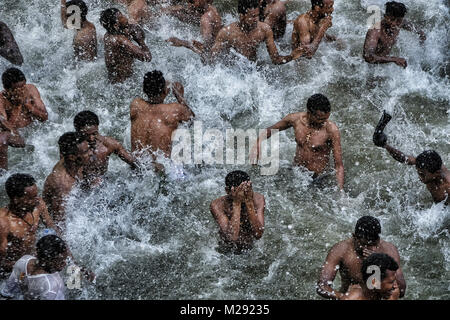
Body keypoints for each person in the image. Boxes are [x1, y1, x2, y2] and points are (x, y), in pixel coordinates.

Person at [251, 94, 344, 189]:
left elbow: (339, 165)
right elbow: (270, 130)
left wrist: (340, 191)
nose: (323, 121)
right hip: (297, 174)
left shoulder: (331, 130)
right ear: (309, 113)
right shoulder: (295, 120)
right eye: (320, 119)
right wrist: (257, 143)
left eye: (326, 118)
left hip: (318, 179)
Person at [169, 0, 303, 64]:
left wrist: (292, 56)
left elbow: (276, 59)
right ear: (241, 16)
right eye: (251, 16)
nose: (255, 20)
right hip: (235, 70)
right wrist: (187, 44)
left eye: (257, 16)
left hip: (254, 68)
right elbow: (211, 59)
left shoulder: (264, 29)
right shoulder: (227, 33)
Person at [316, 216, 406, 300]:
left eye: (373, 244)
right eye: (364, 244)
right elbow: (322, 287)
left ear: (378, 239)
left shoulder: (388, 250)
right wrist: (345, 297)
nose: (369, 249)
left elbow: (401, 290)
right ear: (354, 237)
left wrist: (379, 260)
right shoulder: (341, 250)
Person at [130, 70, 195, 171]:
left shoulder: (135, 105)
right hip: (164, 169)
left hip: (138, 167)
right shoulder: (175, 110)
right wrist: (179, 96)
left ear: (144, 90)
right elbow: (192, 121)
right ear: (165, 91)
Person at [0, 174, 59, 276]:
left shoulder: (38, 205)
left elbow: (53, 230)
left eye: (36, 195)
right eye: (31, 198)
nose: (37, 200)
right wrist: (33, 266)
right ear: (16, 199)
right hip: (15, 272)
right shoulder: (4, 223)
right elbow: (1, 264)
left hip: (35, 262)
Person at [73, 111, 137, 187]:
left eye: (94, 133)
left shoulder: (109, 144)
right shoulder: (73, 149)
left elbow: (134, 163)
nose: (91, 138)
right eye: (86, 135)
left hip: (105, 186)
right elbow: (69, 177)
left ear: (97, 128)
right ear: (78, 133)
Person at [210, 170, 265, 253]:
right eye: (238, 191)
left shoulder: (258, 199)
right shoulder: (217, 205)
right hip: (227, 250)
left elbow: (258, 234)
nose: (243, 195)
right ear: (228, 191)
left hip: (251, 249)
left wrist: (249, 202)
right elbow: (231, 238)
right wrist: (236, 203)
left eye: (246, 190)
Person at [43, 132, 91, 226]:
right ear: (72, 157)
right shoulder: (62, 186)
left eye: (89, 149)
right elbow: (59, 224)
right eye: (86, 152)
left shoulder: (75, 163)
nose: (91, 153)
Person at [0, 235, 68, 300]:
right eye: (61, 261)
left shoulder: (23, 261)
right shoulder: (51, 286)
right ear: (48, 261)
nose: (65, 264)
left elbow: (7, 291)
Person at [363, 1, 426, 68]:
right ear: (385, 16)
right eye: (391, 19)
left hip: (386, 63)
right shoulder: (375, 31)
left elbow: (421, 33)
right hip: (371, 68)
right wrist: (394, 59)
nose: (394, 24)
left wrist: (422, 46)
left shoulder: (402, 23)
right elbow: (368, 57)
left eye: (398, 21)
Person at [100, 8, 152, 83]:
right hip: (124, 84)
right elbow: (146, 57)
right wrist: (141, 41)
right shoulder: (121, 40)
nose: (125, 17)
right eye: (121, 17)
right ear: (116, 25)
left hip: (114, 81)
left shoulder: (108, 35)